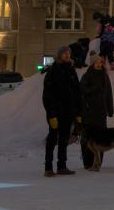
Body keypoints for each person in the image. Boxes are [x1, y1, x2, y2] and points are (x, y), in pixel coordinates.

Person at [43, 45, 81, 176]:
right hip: (56, 112)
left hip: (68, 112)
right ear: (59, 55)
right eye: (64, 53)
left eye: (68, 53)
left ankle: (62, 166)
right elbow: (48, 95)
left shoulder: (71, 70)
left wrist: (78, 112)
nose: (67, 55)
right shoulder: (53, 71)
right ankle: (48, 167)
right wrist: (51, 114)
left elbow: (77, 92)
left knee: (64, 140)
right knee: (52, 139)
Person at [79, 51, 114, 170]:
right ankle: (87, 162)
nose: (99, 64)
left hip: (101, 112)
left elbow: (109, 93)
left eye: (100, 62)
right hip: (89, 111)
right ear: (92, 64)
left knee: (101, 137)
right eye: (97, 62)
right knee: (88, 137)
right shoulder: (87, 75)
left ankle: (98, 161)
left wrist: (110, 108)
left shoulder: (105, 76)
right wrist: (94, 88)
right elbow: (82, 90)